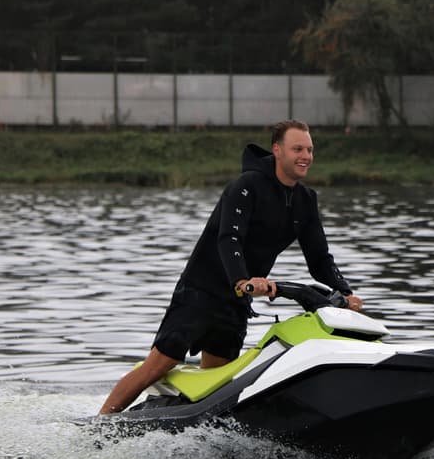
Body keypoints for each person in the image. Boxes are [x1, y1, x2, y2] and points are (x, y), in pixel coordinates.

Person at [99, 120, 363, 414]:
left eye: (310, 150)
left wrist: (345, 292)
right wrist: (242, 279)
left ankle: (187, 431)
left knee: (215, 384)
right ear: (277, 150)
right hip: (201, 291)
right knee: (159, 365)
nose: (306, 156)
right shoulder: (246, 186)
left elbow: (319, 259)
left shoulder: (305, 201)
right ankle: (99, 426)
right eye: (297, 149)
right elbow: (230, 238)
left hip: (236, 302)